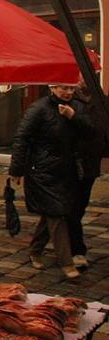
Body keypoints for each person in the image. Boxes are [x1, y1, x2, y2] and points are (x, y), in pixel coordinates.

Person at [10, 84, 91, 279]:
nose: (68, 92)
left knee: (52, 213)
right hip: (41, 171)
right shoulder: (38, 108)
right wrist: (16, 170)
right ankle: (67, 263)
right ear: (52, 87)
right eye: (64, 88)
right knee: (57, 213)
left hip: (67, 170)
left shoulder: (76, 107)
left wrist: (74, 117)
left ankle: (35, 250)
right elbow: (22, 138)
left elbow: (91, 132)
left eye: (72, 89)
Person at [31, 75, 109, 270]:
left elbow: (97, 131)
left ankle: (37, 247)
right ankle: (75, 253)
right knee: (63, 210)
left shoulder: (100, 101)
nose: (81, 80)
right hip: (65, 164)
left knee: (68, 209)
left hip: (88, 164)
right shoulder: (60, 102)